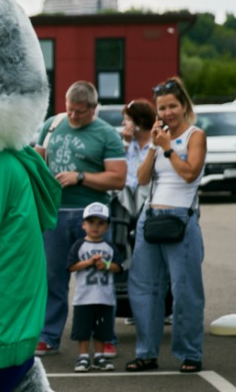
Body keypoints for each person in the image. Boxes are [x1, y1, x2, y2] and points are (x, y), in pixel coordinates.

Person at [34, 81, 126, 356]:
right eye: (70, 109)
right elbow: (38, 163)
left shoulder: (106, 134)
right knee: (53, 278)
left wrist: (81, 177)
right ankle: (49, 335)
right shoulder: (52, 125)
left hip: (93, 217)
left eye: (80, 112)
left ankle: (105, 337)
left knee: (98, 277)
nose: (73, 116)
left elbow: (118, 178)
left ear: (94, 109)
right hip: (55, 215)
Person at [126, 77, 207, 373]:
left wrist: (169, 148)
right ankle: (146, 352)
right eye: (163, 108)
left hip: (181, 217)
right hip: (151, 216)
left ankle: (189, 352)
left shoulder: (194, 135)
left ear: (184, 105)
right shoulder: (157, 139)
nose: (168, 112)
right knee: (144, 287)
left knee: (185, 290)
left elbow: (189, 174)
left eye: (173, 106)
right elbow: (143, 178)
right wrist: (153, 147)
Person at [67, 202, 125, 373]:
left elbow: (119, 266)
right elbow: (71, 266)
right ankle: (83, 356)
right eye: (91, 222)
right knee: (83, 329)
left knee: (102, 329)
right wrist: (89, 262)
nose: (95, 227)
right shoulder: (79, 245)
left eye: (100, 223)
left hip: (104, 297)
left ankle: (99, 355)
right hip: (84, 297)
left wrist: (106, 265)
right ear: (83, 224)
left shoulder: (109, 247)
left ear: (107, 226)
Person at [120, 99, 156, 216]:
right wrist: (125, 143)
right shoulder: (125, 143)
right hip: (124, 203)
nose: (123, 123)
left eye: (127, 120)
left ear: (139, 122)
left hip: (149, 200)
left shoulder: (157, 143)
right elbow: (115, 165)